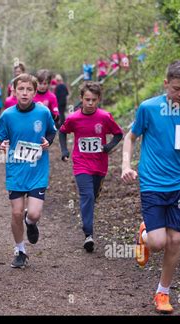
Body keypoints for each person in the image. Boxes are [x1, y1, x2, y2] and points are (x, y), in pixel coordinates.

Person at [121, 60, 180, 314]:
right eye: (176, 89)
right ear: (166, 84)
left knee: (175, 240)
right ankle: (144, 235)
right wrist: (126, 166)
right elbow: (131, 137)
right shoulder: (148, 108)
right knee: (158, 242)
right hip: (152, 182)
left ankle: (163, 292)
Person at [0, 73, 57, 268]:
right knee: (16, 213)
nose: (24, 93)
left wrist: (48, 142)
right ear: (14, 91)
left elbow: (52, 131)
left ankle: (31, 223)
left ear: (35, 92)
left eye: (29, 89)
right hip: (16, 170)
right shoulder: (7, 115)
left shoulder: (43, 112)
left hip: (37, 169)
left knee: (34, 214)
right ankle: (20, 250)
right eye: (21, 89)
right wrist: (1, 145)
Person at [59, 82, 123, 251]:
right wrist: (65, 150)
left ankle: (89, 219)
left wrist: (109, 147)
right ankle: (88, 234)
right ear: (81, 99)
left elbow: (118, 134)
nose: (90, 103)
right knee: (86, 195)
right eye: (87, 99)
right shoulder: (73, 118)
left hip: (100, 164)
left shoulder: (104, 117)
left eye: (94, 100)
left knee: (92, 196)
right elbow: (63, 132)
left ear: (98, 99)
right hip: (81, 163)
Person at [54, 74, 70, 160]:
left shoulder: (58, 87)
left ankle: (61, 125)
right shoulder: (64, 86)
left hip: (60, 102)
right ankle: (62, 124)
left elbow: (55, 95)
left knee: (60, 113)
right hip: (63, 101)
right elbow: (67, 94)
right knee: (62, 113)